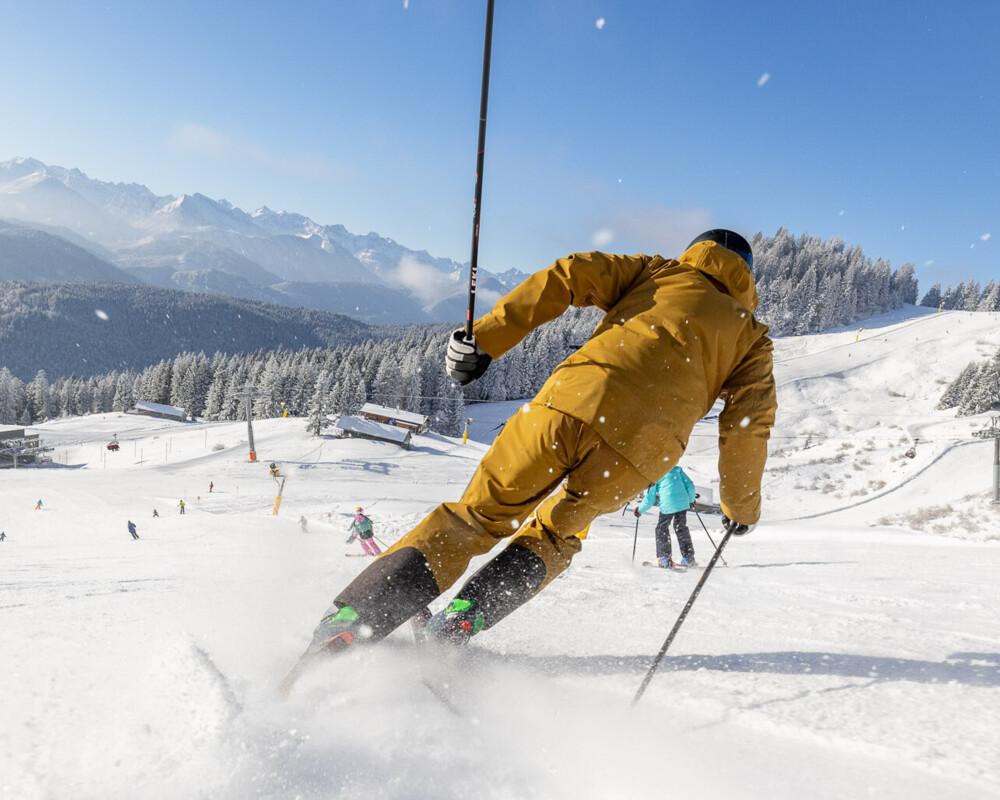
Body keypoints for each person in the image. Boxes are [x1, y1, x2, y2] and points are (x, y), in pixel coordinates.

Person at [299, 230, 776, 655]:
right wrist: (740, 506)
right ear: (747, 277)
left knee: (475, 518)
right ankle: (463, 619)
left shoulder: (658, 273)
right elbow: (747, 426)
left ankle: (357, 616)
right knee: (555, 536)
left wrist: (484, 339)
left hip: (567, 409)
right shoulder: (751, 338)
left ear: (696, 250)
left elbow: (568, 276)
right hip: (635, 457)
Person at [635, 466, 698, 568]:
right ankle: (688, 558)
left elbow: (649, 499)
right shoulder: (676, 469)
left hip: (668, 503)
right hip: (683, 502)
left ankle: (664, 558)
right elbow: (690, 486)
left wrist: (639, 509)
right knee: (681, 527)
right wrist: (691, 500)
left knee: (662, 529)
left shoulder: (654, 474)